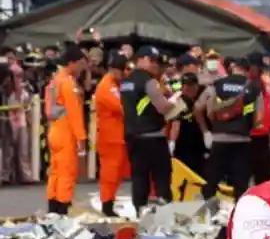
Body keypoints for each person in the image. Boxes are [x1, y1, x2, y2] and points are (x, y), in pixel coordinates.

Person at [119, 46, 177, 213]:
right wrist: (174, 101)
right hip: (153, 136)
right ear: (141, 59)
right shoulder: (149, 81)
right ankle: (165, 212)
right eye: (152, 60)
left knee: (139, 176)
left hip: (133, 136)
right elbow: (163, 107)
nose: (155, 65)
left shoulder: (126, 82)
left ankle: (139, 210)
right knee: (162, 175)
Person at [197, 57, 259, 201]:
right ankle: (238, 213)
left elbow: (201, 108)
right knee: (240, 180)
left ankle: (207, 210)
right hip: (243, 139)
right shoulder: (254, 88)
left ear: (232, 67)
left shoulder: (217, 84)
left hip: (219, 138)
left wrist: (208, 131)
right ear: (247, 70)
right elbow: (258, 118)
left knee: (213, 177)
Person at [43, 45, 88, 214]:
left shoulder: (54, 81)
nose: (82, 67)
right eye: (81, 63)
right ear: (71, 63)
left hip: (54, 130)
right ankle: (62, 211)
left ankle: (52, 210)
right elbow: (75, 113)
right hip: (66, 132)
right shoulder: (68, 83)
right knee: (67, 174)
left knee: (55, 172)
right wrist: (81, 139)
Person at [93, 52, 129, 217]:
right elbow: (122, 106)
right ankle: (107, 204)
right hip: (110, 138)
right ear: (116, 70)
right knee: (110, 173)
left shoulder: (116, 83)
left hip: (119, 136)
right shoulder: (106, 86)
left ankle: (109, 202)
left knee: (118, 173)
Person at [246, 52, 270, 185]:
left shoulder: (265, 84)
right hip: (248, 135)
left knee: (264, 173)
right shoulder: (244, 84)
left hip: (263, 134)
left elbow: (269, 106)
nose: (260, 70)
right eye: (258, 67)